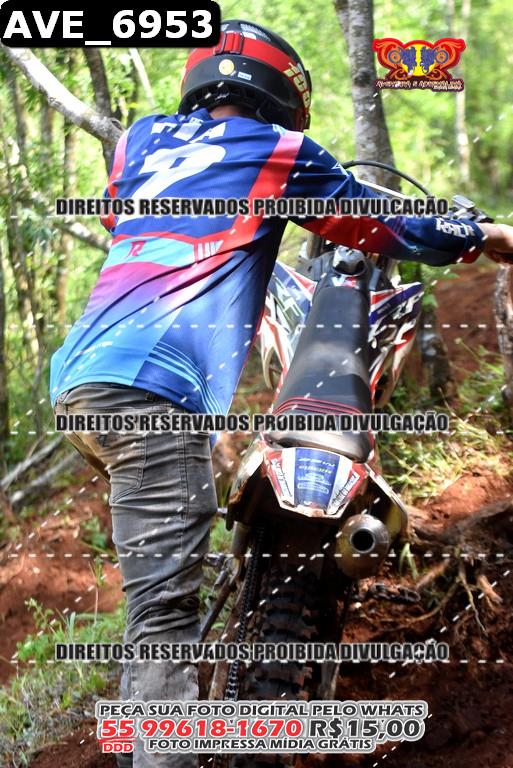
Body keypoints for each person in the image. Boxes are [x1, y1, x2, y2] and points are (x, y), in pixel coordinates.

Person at [50, 19, 513, 768]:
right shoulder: (278, 150)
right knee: (163, 617)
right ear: (281, 95)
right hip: (152, 389)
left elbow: (118, 210)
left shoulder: (141, 142)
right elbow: (382, 224)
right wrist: (481, 235)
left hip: (83, 382)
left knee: (157, 599)